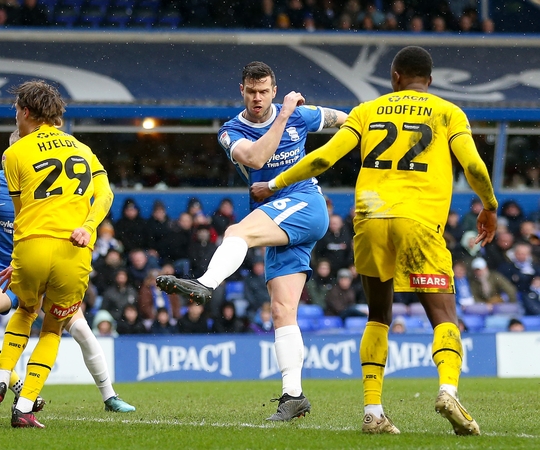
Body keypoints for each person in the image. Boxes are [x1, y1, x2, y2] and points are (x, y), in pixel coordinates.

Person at [256, 46, 497, 435]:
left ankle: (373, 410)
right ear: (429, 81)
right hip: (418, 222)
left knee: (378, 316)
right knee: (443, 316)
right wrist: (489, 205)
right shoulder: (448, 112)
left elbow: (323, 158)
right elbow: (472, 165)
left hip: (369, 220)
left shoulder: (368, 110)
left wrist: (275, 183)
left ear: (395, 77)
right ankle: (448, 390)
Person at [155, 61, 347, 421]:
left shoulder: (301, 115)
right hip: (278, 215)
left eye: (264, 91)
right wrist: (286, 114)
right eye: (251, 91)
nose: (258, 98)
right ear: (241, 91)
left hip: (305, 203)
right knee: (281, 311)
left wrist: (357, 130)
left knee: (236, 232)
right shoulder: (231, 130)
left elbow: (347, 121)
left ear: (274, 90)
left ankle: (204, 284)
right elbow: (258, 156)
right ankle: (294, 396)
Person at [0, 80, 116, 428]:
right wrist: (89, 226)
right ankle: (23, 407)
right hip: (74, 248)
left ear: (25, 112)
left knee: (24, 311)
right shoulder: (83, 150)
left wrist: (21, 254)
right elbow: (106, 195)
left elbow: (22, 210)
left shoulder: (14, 154)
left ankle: (2, 377)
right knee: (52, 328)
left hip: (31, 247)